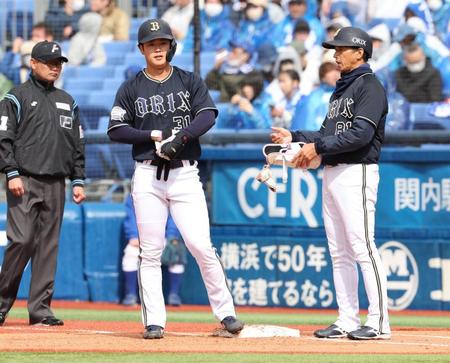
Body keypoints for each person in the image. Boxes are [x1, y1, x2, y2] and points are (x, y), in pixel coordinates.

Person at [107, 18, 244, 339]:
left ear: (170, 46)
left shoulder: (188, 80)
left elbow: (207, 115)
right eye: (151, 44)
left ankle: (226, 313)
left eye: (162, 43)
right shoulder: (130, 87)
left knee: (200, 245)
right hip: (147, 174)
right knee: (150, 250)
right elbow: (115, 129)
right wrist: (152, 134)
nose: (157, 48)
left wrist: (179, 138)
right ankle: (154, 321)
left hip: (184, 173)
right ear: (141, 48)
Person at [271, 27, 391, 340]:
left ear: (360, 52)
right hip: (334, 172)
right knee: (339, 253)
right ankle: (347, 319)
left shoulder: (369, 85)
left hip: (358, 172)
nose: (335, 54)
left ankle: (379, 322)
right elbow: (327, 134)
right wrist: (296, 137)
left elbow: (361, 135)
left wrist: (318, 148)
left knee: (363, 247)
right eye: (334, 49)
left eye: (342, 49)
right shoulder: (341, 90)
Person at [0, 40, 86, 326]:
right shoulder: (16, 97)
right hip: (23, 179)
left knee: (48, 246)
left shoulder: (67, 100)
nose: (54, 67)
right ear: (32, 63)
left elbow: (78, 144)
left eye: (58, 62)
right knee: (22, 240)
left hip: (56, 183)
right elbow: (3, 139)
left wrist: (78, 179)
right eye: (49, 62)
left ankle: (40, 310)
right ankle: (1, 303)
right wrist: (11, 172)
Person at [121, 195, 187, 307]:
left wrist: (171, 237)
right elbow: (131, 217)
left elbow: (175, 217)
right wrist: (133, 235)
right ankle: (131, 295)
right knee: (130, 253)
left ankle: (174, 295)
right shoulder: (136, 193)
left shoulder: (171, 192)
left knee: (176, 254)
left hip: (165, 238)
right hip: (142, 238)